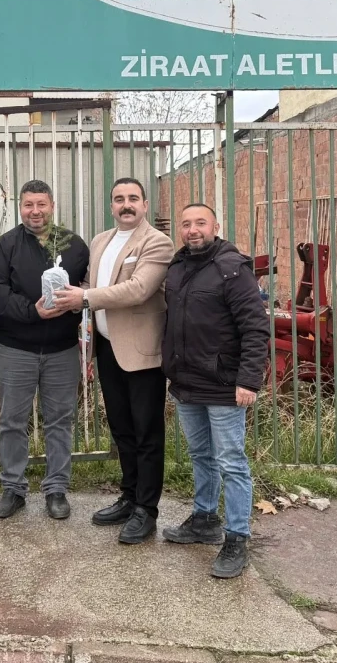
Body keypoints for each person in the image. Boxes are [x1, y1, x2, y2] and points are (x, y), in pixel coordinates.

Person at [54, 178, 173, 544]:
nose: (126, 204)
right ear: (111, 206)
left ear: (145, 204)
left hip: (141, 352)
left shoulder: (157, 242)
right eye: (119, 199)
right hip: (106, 347)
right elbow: (91, 284)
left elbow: (139, 289)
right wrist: (60, 289)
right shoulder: (101, 241)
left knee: (146, 432)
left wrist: (84, 297)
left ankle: (146, 509)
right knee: (121, 428)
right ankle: (129, 496)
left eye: (133, 198)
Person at [160, 203, 269, 579]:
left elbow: (255, 327)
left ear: (216, 226)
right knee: (201, 455)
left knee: (231, 461)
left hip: (223, 383)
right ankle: (205, 518)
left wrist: (248, 380)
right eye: (186, 223)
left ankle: (237, 538)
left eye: (200, 223)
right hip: (187, 382)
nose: (192, 230)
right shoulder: (178, 266)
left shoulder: (232, 269)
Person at [0, 179, 90, 520]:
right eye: (28, 205)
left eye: (41, 204)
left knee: (59, 420)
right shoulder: (6, 245)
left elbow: (89, 288)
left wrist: (77, 304)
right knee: (12, 421)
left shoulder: (74, 245)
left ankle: (56, 489)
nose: (35, 211)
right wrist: (33, 312)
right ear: (20, 207)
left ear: (52, 206)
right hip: (15, 348)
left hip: (62, 349)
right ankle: (13, 489)